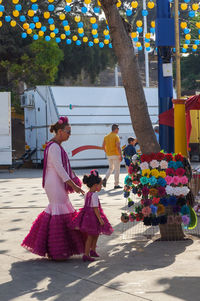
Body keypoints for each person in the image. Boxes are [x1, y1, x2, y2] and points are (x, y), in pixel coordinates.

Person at [21, 116, 86, 261]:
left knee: (59, 210)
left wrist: (73, 179)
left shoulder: (55, 146)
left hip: (55, 182)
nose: (70, 135)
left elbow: (64, 167)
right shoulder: (54, 147)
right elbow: (59, 168)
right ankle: (58, 250)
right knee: (59, 209)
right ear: (60, 132)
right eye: (68, 132)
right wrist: (73, 185)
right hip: (54, 183)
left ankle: (55, 248)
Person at [71, 170, 113, 262]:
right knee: (91, 236)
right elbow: (95, 208)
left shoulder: (88, 194)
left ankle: (93, 250)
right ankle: (86, 254)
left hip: (87, 216)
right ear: (95, 185)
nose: (101, 187)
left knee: (95, 234)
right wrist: (100, 219)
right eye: (100, 185)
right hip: (93, 217)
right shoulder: (94, 195)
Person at [102, 124, 122, 189]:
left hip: (109, 155)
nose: (118, 130)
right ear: (116, 129)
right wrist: (120, 155)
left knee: (111, 168)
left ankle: (105, 178)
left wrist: (107, 152)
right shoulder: (116, 136)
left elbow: (103, 146)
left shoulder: (106, 136)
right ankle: (116, 184)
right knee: (117, 170)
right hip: (115, 155)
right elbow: (118, 147)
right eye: (118, 129)